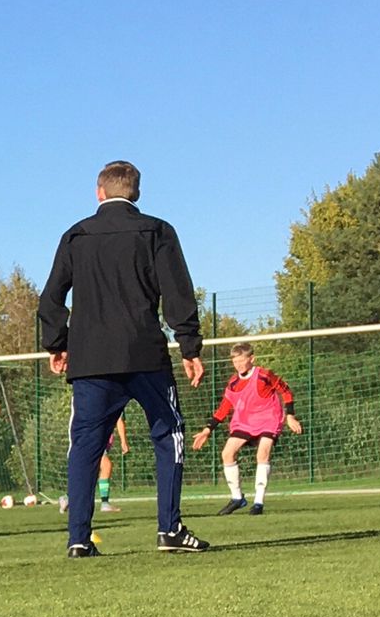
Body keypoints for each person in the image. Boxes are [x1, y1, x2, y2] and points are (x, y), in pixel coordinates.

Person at [39, 160, 209, 557]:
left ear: (99, 192)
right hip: (144, 353)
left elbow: (51, 297)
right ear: (137, 193)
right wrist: (189, 345)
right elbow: (178, 292)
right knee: (169, 435)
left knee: (85, 445)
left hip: (91, 359)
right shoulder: (157, 231)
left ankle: (78, 539)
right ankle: (169, 530)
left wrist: (57, 343)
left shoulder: (76, 235)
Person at [193, 343, 302, 515]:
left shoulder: (264, 375)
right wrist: (208, 429)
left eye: (241, 361)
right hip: (244, 422)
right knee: (227, 453)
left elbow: (286, 391)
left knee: (262, 453)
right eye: (234, 362)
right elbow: (224, 407)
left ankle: (258, 502)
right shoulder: (234, 382)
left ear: (251, 359)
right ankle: (237, 498)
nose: (237, 365)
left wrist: (290, 415)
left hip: (269, 420)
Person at [97, 416, 129, 513]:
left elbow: (118, 420)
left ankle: (68, 498)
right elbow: (119, 420)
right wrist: (123, 442)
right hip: (95, 440)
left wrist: (123, 441)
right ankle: (105, 503)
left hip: (101, 441)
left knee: (90, 472)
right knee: (106, 466)